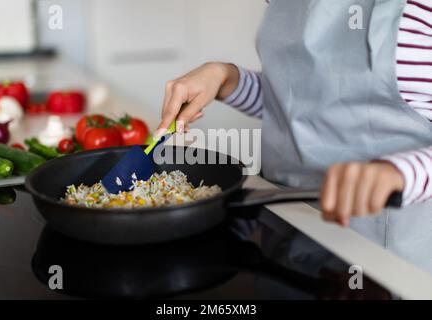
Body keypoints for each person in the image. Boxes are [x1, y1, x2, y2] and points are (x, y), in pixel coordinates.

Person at [156, 0, 432, 227]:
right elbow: (301, 102)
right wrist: (228, 78)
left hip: (389, 250)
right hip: (286, 222)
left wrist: (399, 173)